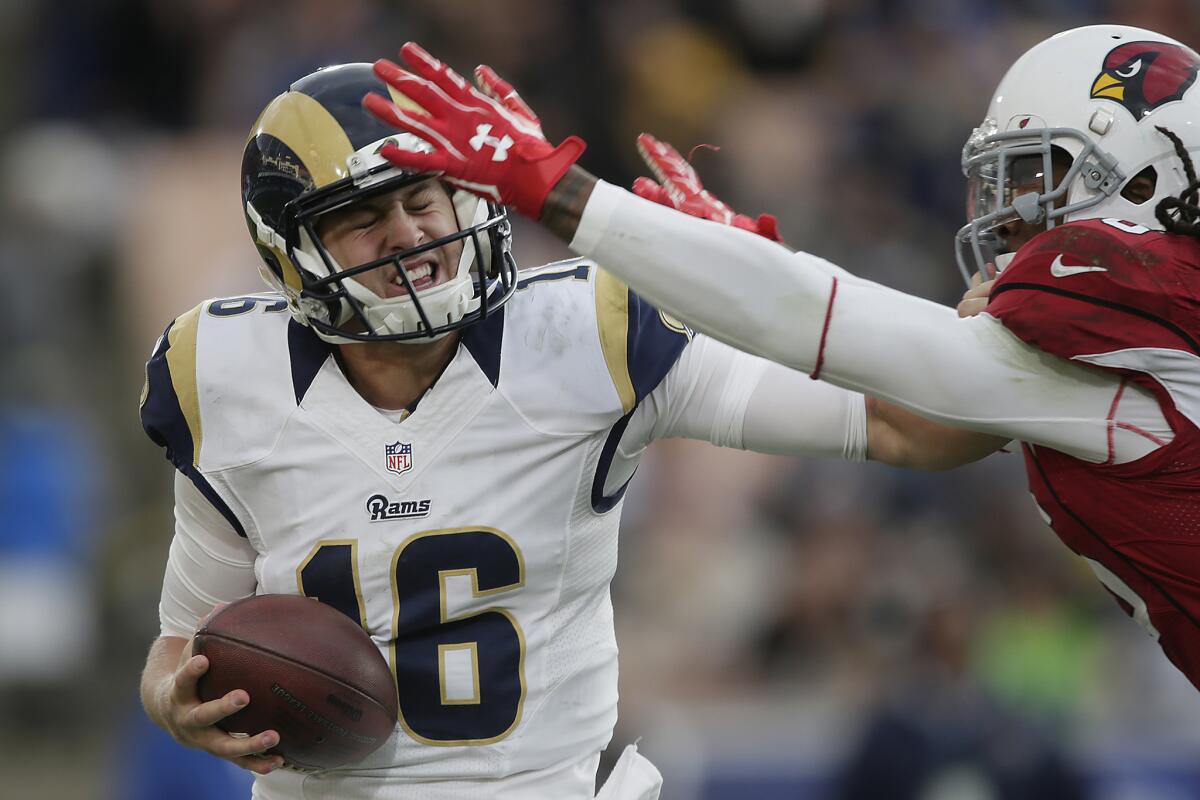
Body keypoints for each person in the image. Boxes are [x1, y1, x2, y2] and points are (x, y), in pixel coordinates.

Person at [136, 63, 989, 800]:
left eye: (422, 198)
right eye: (366, 218)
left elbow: (905, 428)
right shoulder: (227, 377)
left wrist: (987, 362)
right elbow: (180, 645)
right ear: (295, 255)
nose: (412, 235)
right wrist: (175, 700)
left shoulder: (590, 334)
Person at [363, 24, 1200, 692]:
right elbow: (915, 404)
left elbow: (816, 318)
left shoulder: (1130, 298)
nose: (1011, 216)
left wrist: (558, 191)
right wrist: (731, 269)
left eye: (1037, 177)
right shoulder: (1131, 328)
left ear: (1147, 179)